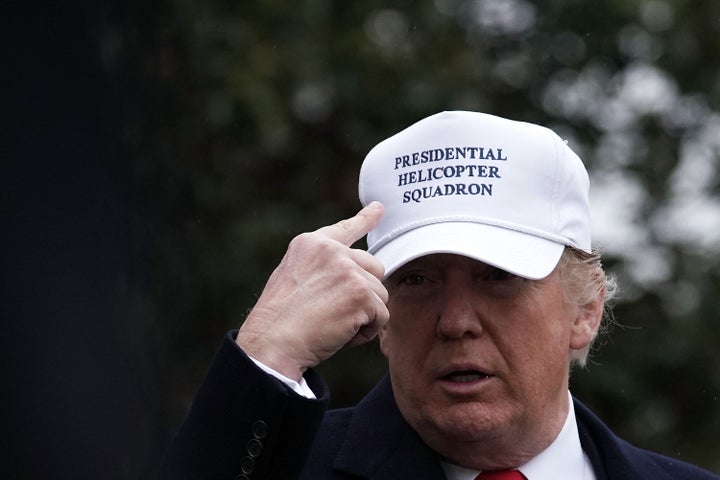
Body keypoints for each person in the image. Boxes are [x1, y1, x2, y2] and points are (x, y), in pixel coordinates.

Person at [161, 111, 719, 480]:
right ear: (378, 316)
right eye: (417, 280)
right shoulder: (277, 467)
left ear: (587, 309)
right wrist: (263, 357)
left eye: (497, 278)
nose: (454, 322)